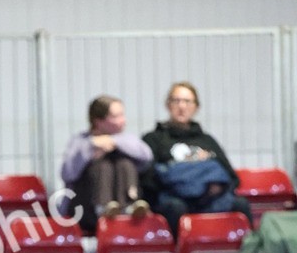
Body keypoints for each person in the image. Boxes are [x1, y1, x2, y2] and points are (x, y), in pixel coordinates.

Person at [141, 82, 252, 239]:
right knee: (174, 208)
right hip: (175, 200)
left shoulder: (207, 141)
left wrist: (217, 187)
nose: (182, 106)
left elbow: (231, 177)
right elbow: (148, 180)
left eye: (187, 101)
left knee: (240, 204)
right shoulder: (153, 139)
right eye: (176, 100)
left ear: (196, 107)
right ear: (168, 105)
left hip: (209, 201)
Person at [60, 95, 153, 234]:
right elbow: (67, 173)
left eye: (122, 115)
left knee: (124, 163)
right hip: (86, 210)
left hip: (122, 206)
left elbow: (147, 157)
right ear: (99, 121)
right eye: (116, 116)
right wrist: (90, 148)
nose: (123, 120)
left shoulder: (126, 139)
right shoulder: (80, 141)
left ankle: (128, 207)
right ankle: (103, 208)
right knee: (102, 166)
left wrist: (114, 142)